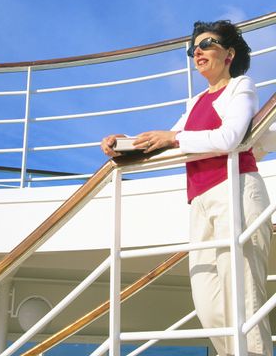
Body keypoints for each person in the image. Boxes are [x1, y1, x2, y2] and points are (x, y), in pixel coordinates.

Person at [101, 20, 273, 356]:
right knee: (209, 305)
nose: (198, 50)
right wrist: (120, 143)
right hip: (200, 202)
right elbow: (161, 142)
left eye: (207, 43)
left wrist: (175, 137)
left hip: (236, 191)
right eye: (193, 47)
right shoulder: (195, 104)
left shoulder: (241, 87)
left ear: (229, 53)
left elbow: (229, 137)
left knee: (244, 301)